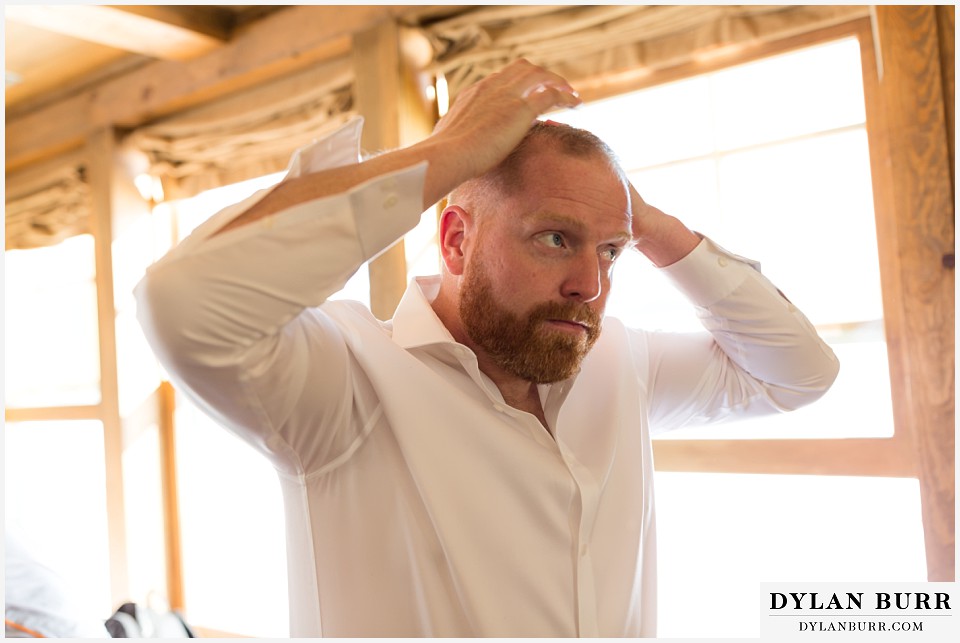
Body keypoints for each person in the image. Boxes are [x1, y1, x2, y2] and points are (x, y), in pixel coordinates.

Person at [135, 60, 839, 637]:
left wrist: (640, 218)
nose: (590, 284)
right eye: (556, 238)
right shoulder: (344, 382)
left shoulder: (622, 364)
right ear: (455, 240)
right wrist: (441, 157)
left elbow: (800, 372)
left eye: (612, 252)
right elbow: (183, 303)